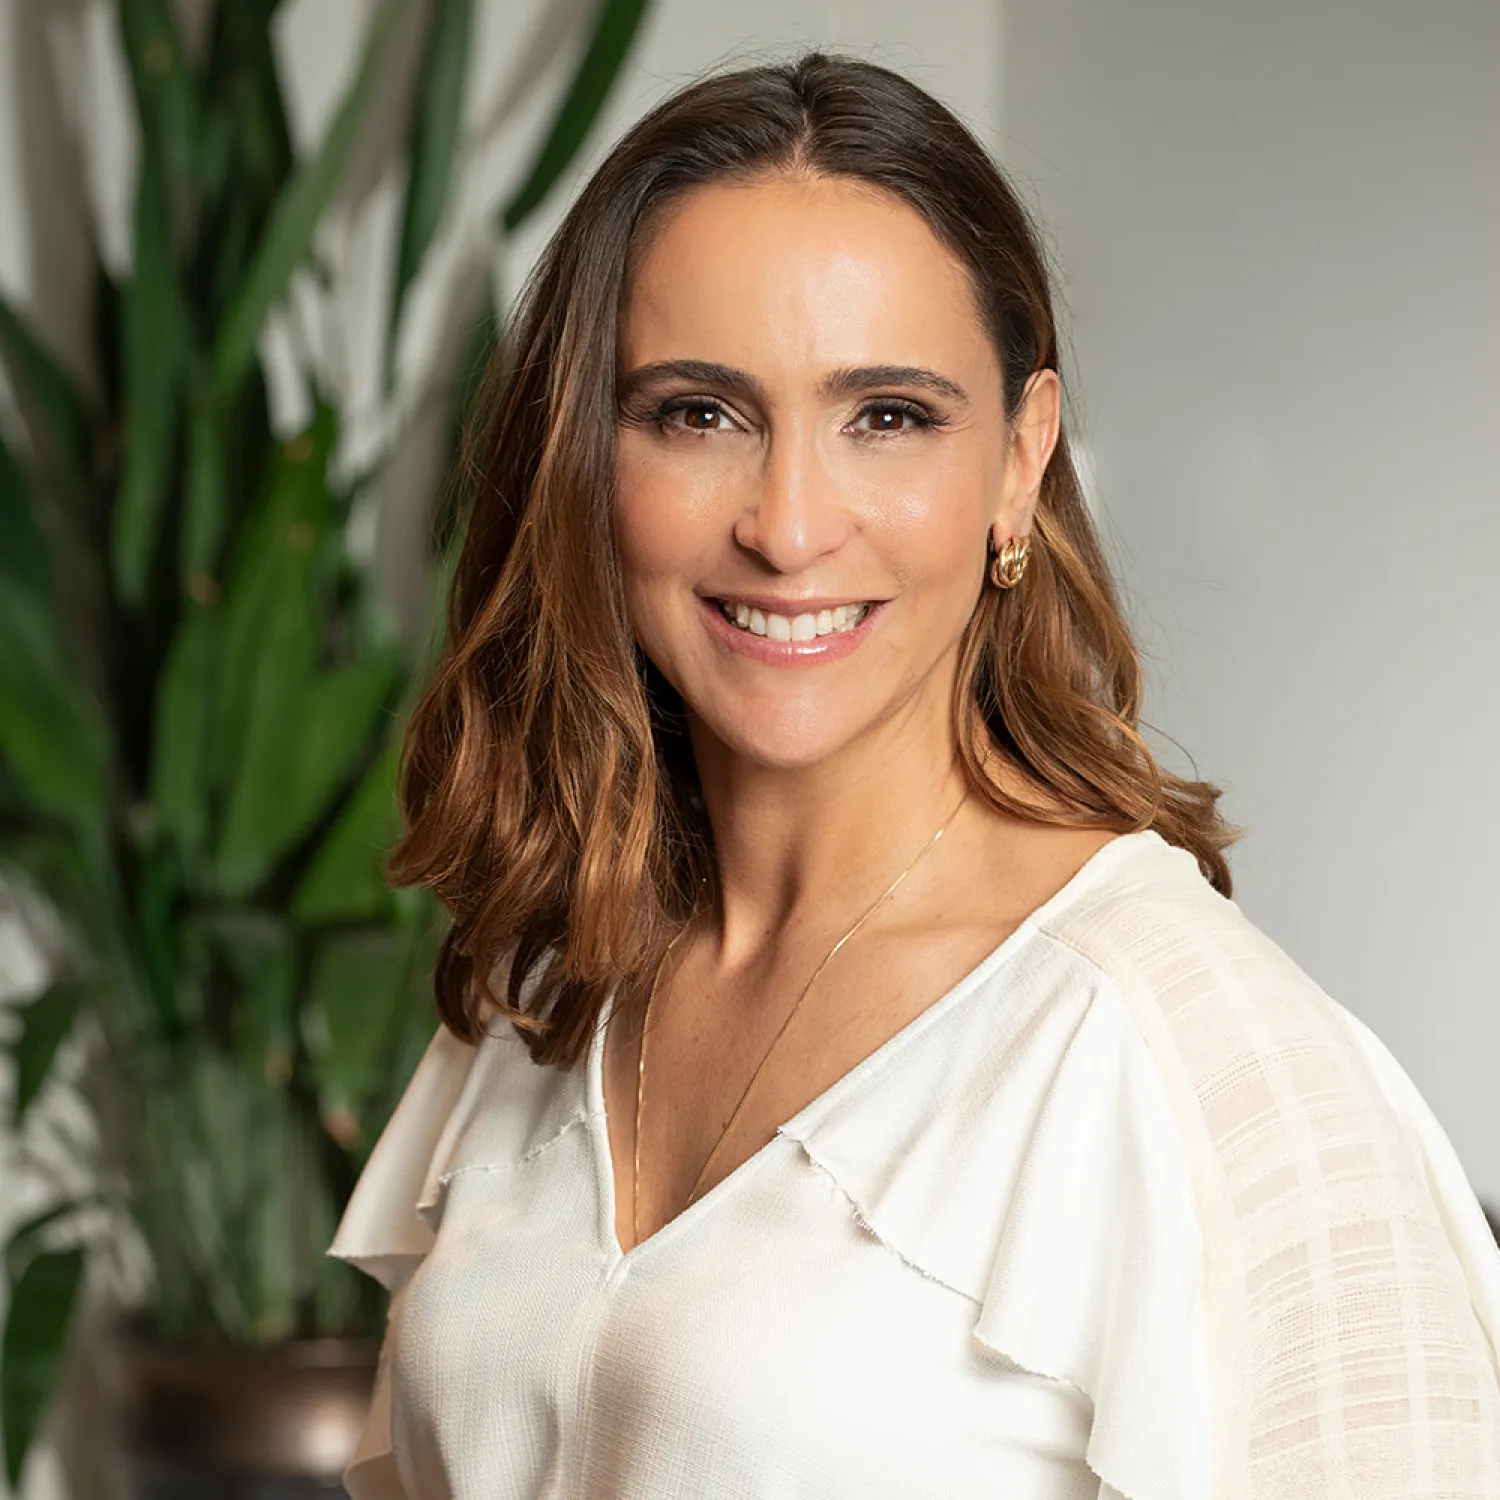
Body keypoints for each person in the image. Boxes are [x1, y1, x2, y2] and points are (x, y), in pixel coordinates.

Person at [328, 52, 1500, 1500]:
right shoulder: (548, 992)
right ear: (586, 458)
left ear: (1021, 460)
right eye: (700, 412)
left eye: (886, 414)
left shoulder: (1186, 1054)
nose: (791, 524)